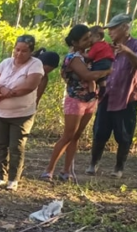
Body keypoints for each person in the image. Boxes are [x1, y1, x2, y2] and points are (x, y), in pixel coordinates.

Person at [42, 25, 110, 182]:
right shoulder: (72, 58)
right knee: (68, 135)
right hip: (76, 99)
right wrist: (107, 72)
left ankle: (66, 171)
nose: (89, 41)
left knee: (76, 136)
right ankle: (49, 169)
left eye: (89, 38)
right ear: (75, 41)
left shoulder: (87, 55)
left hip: (90, 99)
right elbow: (87, 75)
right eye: (85, 39)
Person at [0, 35, 45, 191]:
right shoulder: (6, 63)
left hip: (22, 114)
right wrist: (1, 89)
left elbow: (29, 86)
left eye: (24, 51)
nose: (19, 54)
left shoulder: (35, 64)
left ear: (31, 52)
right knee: (1, 145)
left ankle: (13, 178)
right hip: (0, 112)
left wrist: (3, 94)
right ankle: (1, 176)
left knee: (16, 146)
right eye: (17, 50)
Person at [88, 13, 137, 178]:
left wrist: (128, 52)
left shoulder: (134, 45)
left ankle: (118, 168)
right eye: (109, 29)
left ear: (125, 27)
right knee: (100, 131)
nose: (110, 32)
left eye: (113, 28)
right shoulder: (107, 47)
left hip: (126, 97)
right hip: (106, 95)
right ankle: (93, 163)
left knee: (124, 134)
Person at [87, 26, 116, 96]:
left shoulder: (96, 45)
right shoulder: (106, 44)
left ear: (97, 36)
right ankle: (103, 87)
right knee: (102, 77)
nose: (89, 39)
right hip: (108, 63)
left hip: (100, 62)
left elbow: (90, 56)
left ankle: (92, 92)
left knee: (91, 76)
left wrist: (83, 54)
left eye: (90, 37)